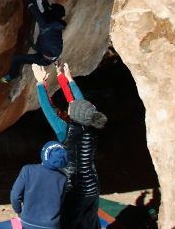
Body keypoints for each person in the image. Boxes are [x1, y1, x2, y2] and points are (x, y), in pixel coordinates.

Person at [31, 63, 108, 229]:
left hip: (72, 189)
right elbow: (80, 102)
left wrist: (40, 82)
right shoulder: (92, 123)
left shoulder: (65, 130)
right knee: (90, 223)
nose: (69, 104)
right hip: (92, 186)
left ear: (74, 115)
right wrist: (65, 78)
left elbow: (48, 109)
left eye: (70, 107)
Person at [1, 0, 67, 83]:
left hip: (44, 58)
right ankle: (34, 48)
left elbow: (35, 11)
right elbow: (48, 10)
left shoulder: (47, 25)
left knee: (17, 58)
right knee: (33, 46)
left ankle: (11, 76)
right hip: (49, 53)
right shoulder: (55, 22)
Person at [9, 141, 69, 229]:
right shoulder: (63, 178)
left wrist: (19, 211)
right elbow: (61, 202)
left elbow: (15, 195)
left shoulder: (28, 170)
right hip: (51, 225)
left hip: (28, 223)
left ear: (44, 153)